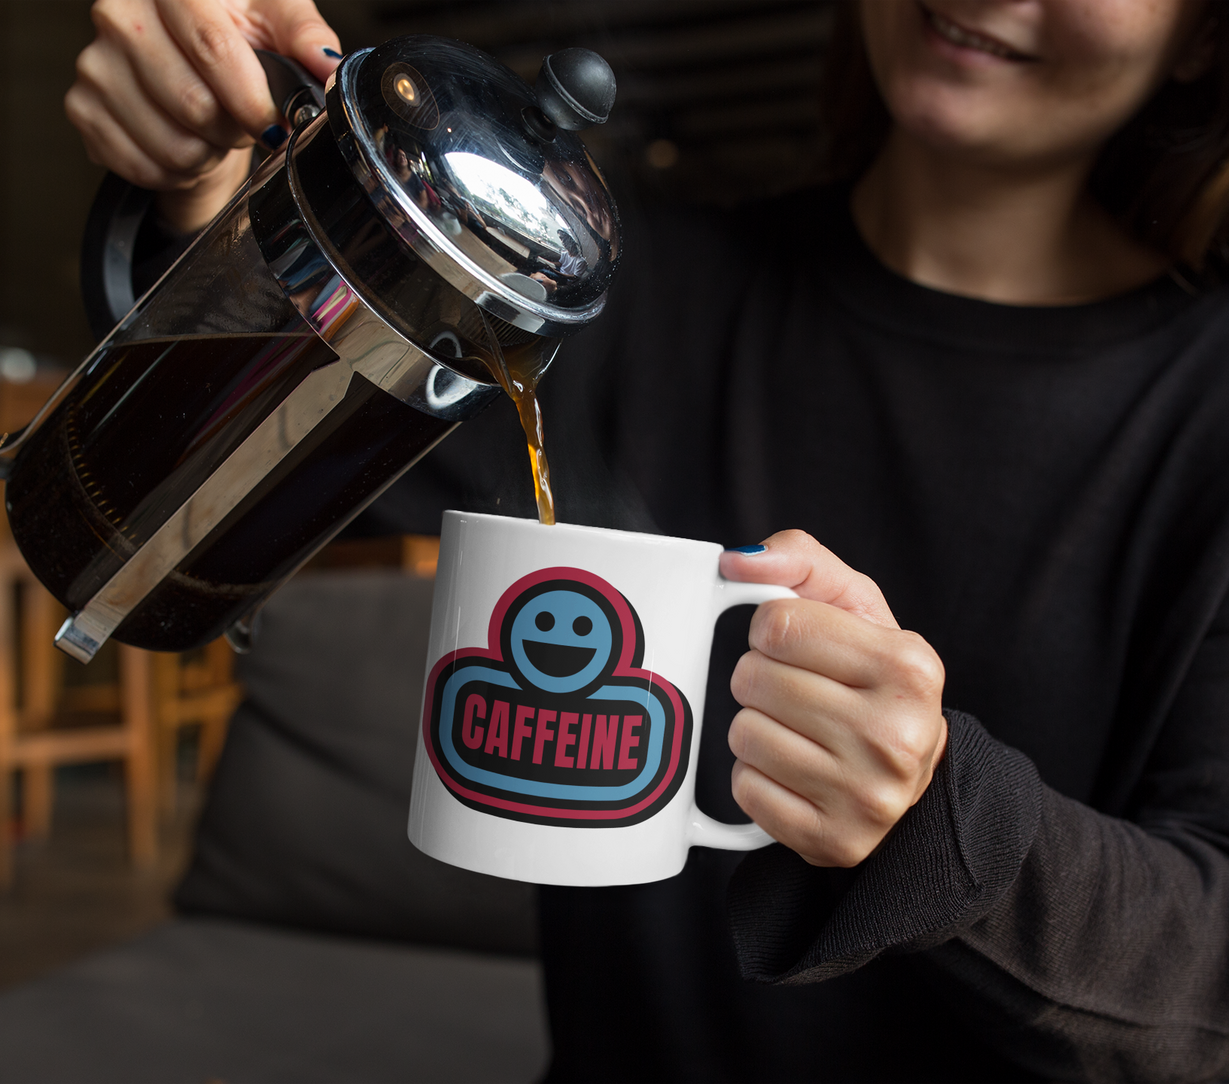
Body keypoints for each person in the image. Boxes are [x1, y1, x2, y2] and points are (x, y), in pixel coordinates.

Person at [65, 1, 1229, 1080]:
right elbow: (214, 494)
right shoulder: (600, 298)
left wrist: (940, 821)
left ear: (1199, 35)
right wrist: (215, 190)